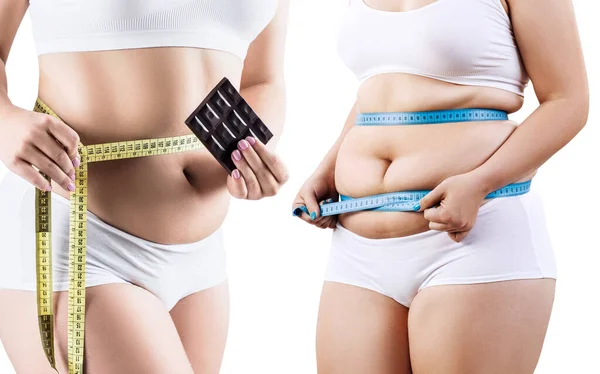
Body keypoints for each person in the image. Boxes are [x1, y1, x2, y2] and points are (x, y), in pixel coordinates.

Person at [293, 0, 588, 373]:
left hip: (474, 241)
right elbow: (383, 90)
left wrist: (481, 182)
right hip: (356, 252)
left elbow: (568, 101)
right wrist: (328, 168)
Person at [0, 1, 289, 373]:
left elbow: (264, 80)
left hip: (204, 261)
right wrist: (4, 120)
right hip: (80, 235)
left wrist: (255, 154)